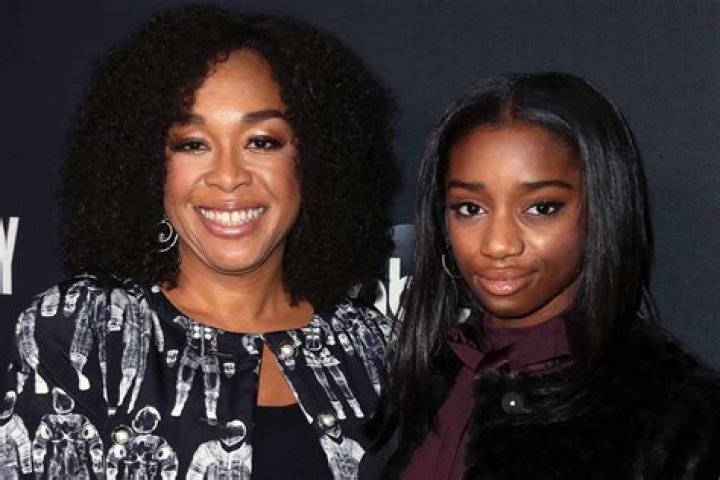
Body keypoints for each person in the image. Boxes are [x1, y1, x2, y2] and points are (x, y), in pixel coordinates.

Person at [0, 5, 398, 479]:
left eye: (261, 141)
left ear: (313, 160)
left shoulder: (373, 347)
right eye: (192, 143)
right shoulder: (82, 333)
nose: (228, 176)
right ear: (150, 166)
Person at [372, 72, 720, 478]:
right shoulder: (425, 376)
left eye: (541, 208)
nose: (498, 244)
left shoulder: (673, 415)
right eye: (470, 208)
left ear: (601, 209)